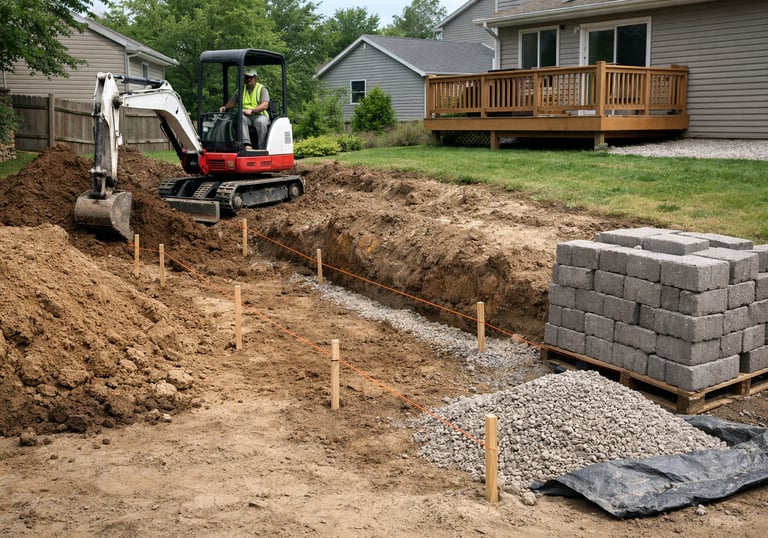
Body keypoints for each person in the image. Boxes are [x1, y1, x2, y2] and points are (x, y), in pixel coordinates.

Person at [219, 67, 270, 150]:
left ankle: (262, 147)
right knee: (239, 117)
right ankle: (247, 144)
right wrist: (225, 107)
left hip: (259, 115)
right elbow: (232, 102)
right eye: (247, 77)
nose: (248, 79)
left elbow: (265, 105)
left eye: (250, 77)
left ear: (255, 78)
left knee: (261, 122)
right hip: (246, 117)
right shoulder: (241, 90)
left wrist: (252, 110)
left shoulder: (261, 89)